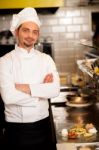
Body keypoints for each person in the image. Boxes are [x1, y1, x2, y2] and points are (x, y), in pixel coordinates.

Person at [0, 7, 60, 150]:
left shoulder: (46, 59)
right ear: (16, 32)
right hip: (16, 132)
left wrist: (23, 87)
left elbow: (55, 90)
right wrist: (41, 93)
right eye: (26, 30)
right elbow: (8, 97)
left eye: (35, 32)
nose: (30, 36)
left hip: (44, 127)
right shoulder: (4, 61)